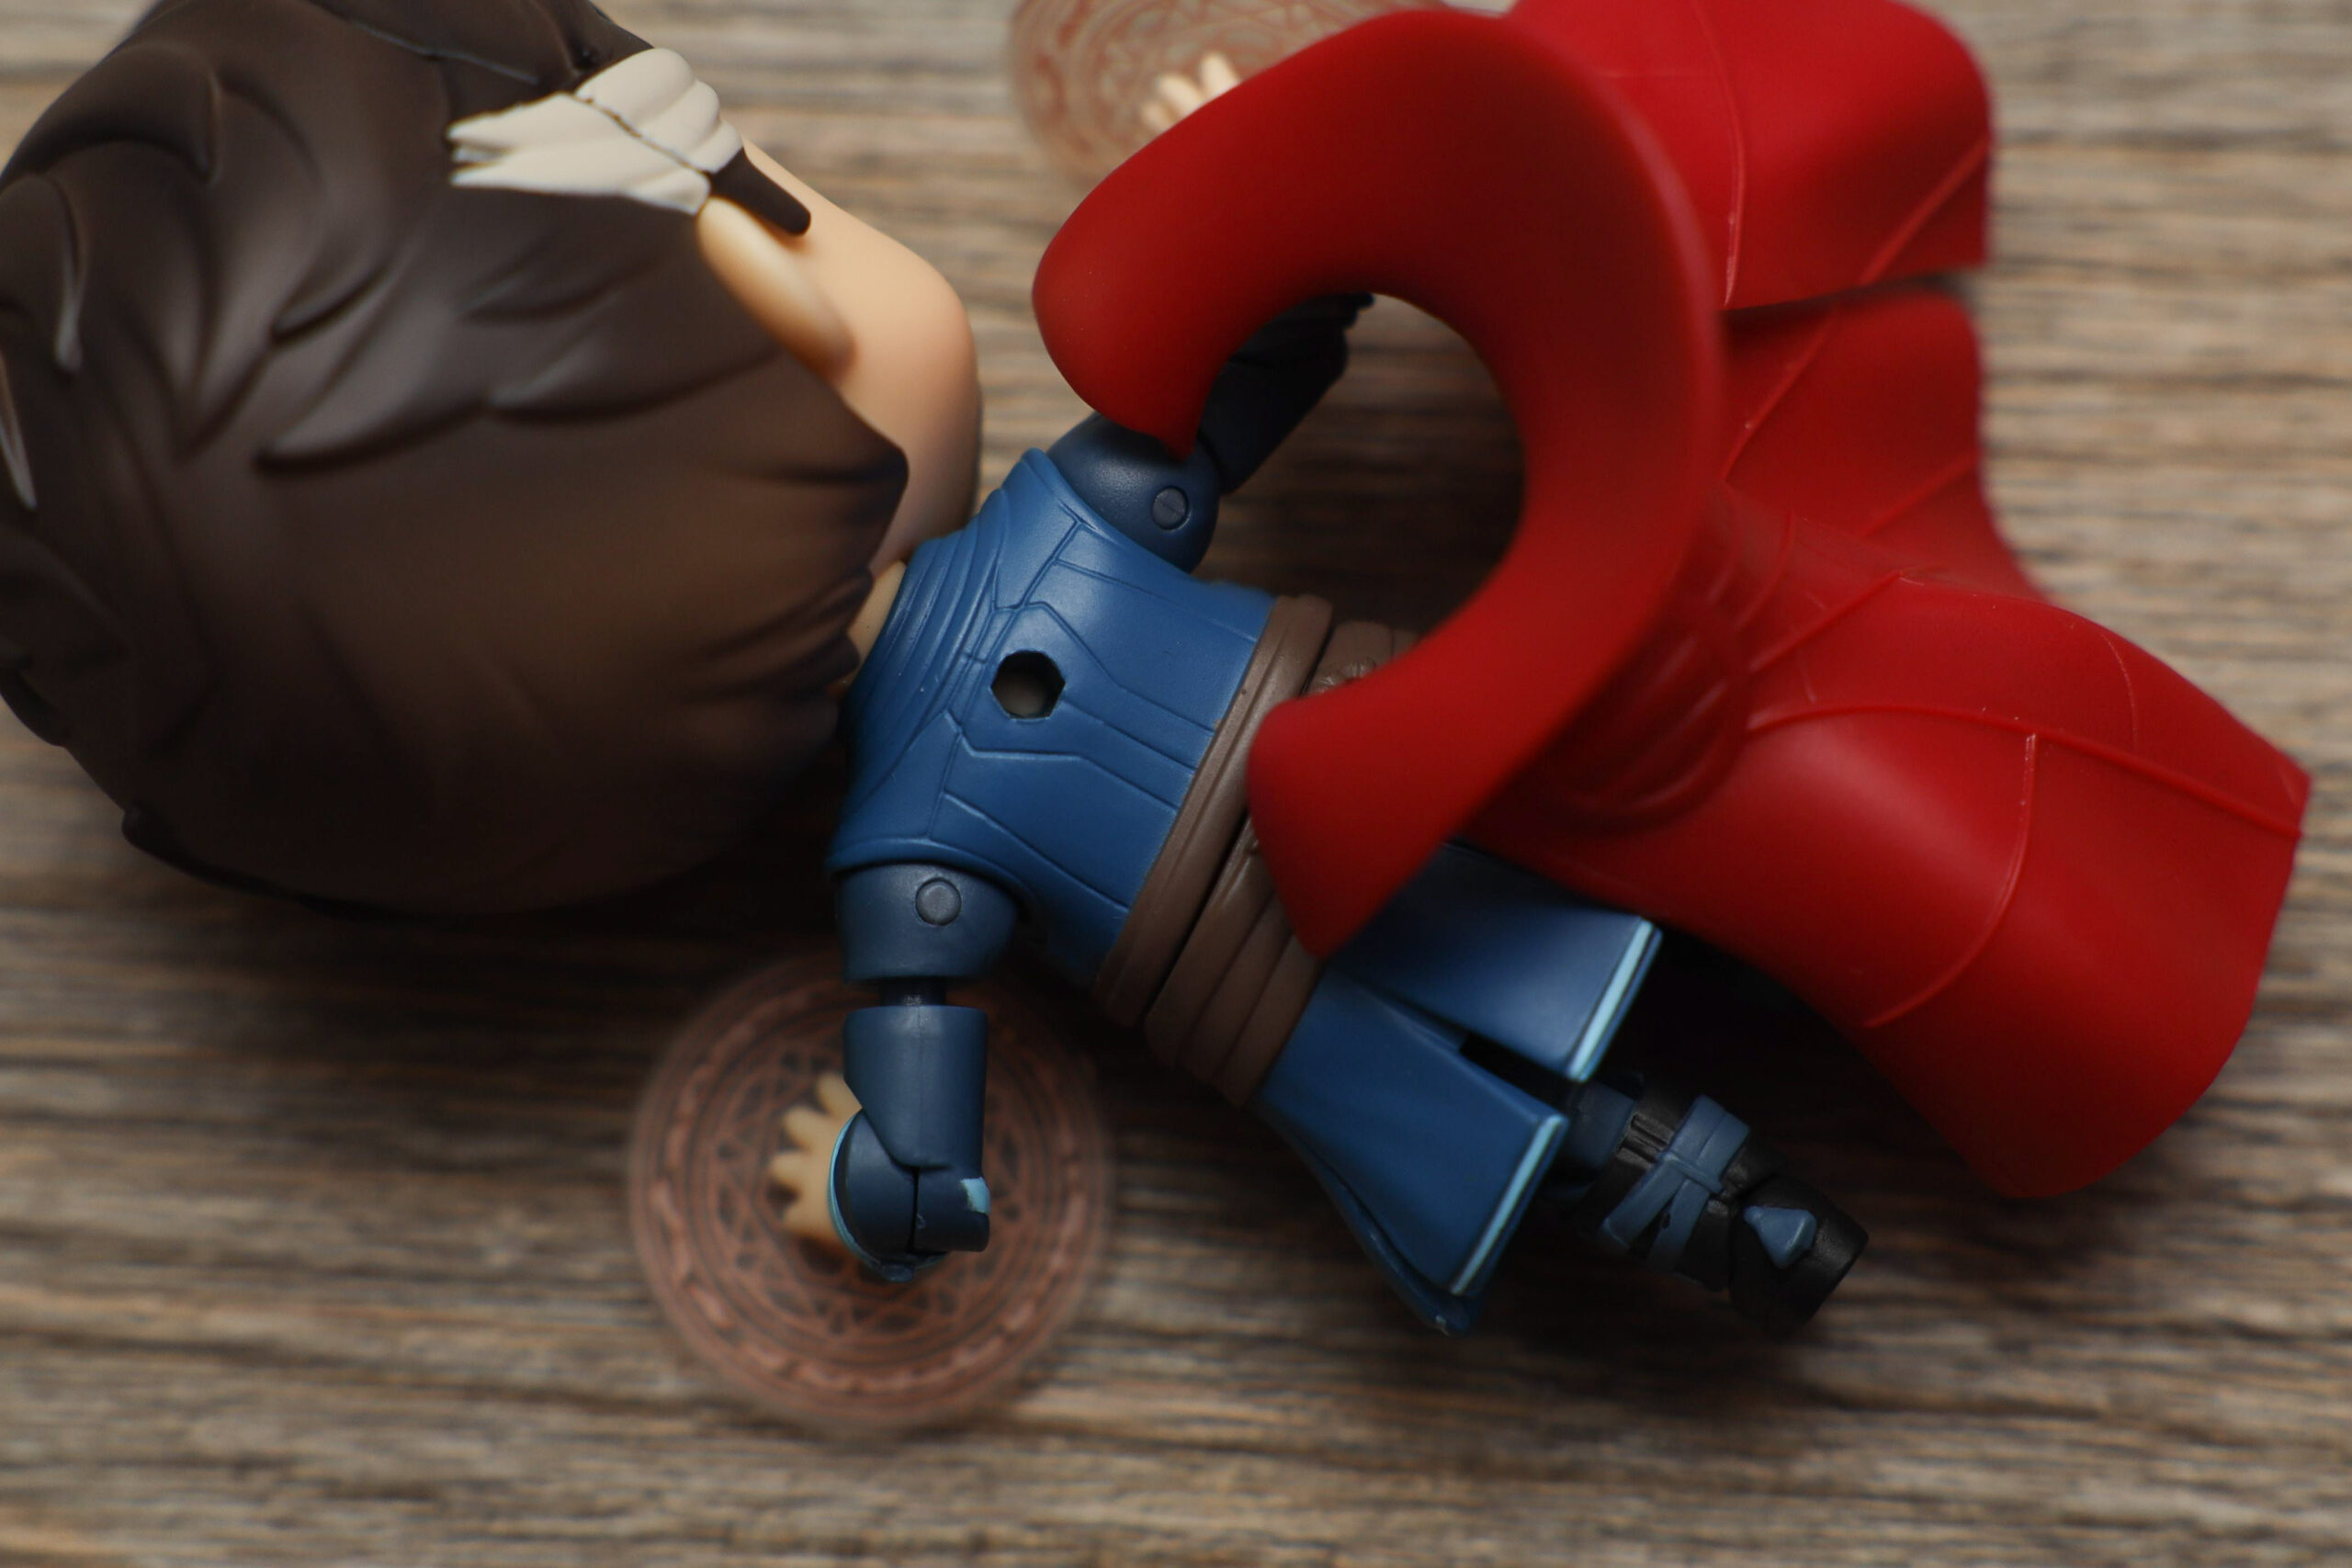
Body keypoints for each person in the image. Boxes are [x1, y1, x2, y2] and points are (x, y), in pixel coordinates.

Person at [0, 0, 2296, 1338]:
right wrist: (1280, 204)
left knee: (1561, 1032)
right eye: (752, 176)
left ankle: (1739, 1195)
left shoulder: (902, 859)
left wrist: (869, 1190)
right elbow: (1262, 367)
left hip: (1329, 916)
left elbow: (928, 1156)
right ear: (786, 295)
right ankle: (1747, 1180)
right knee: (1600, 965)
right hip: (1403, 789)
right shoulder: (1047, 571)